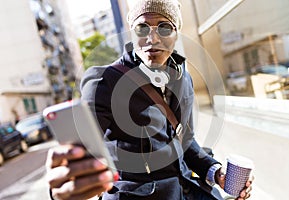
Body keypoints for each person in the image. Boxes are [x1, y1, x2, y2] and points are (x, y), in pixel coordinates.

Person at [45, 0, 253, 199]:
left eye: (164, 28)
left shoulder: (183, 77)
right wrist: (66, 187)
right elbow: (82, 155)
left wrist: (215, 173)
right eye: (142, 28)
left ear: (176, 34)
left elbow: (185, 141)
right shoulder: (104, 81)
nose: (152, 38)